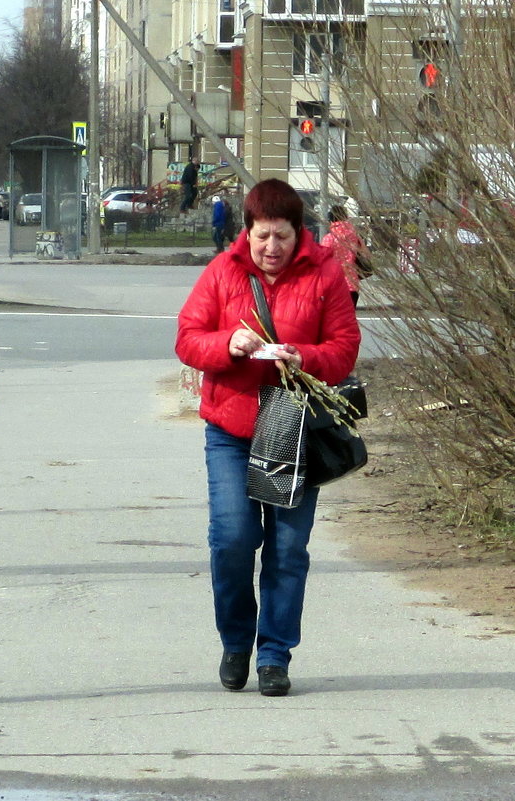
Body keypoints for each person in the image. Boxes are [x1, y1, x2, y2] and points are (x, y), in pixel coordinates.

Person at [175, 178, 360, 697]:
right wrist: (227, 343)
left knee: (287, 547)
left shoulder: (324, 273)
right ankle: (237, 642)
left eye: (281, 236)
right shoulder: (222, 272)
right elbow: (187, 339)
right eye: (262, 237)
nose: (271, 248)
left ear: (297, 232)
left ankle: (274, 655)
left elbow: (344, 346)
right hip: (232, 429)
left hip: (292, 427)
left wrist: (305, 357)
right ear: (247, 233)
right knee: (233, 540)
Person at [320, 204, 368, 307]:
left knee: (334, 320)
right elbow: (366, 254)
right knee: (349, 319)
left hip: (334, 286)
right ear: (345, 218)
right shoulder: (355, 237)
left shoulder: (329, 238)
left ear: (331, 220)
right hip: (352, 285)